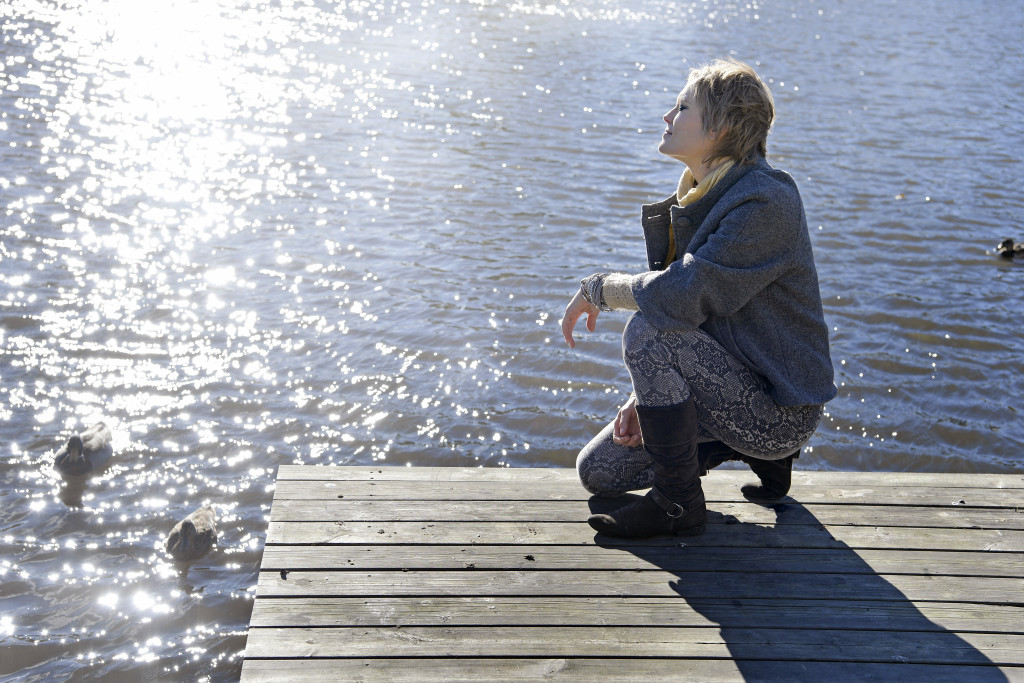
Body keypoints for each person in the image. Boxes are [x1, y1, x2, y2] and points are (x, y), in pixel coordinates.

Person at [560, 58, 836, 539]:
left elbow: (681, 298)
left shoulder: (765, 202)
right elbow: (692, 316)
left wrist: (598, 289)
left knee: (646, 331)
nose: (667, 115)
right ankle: (747, 457)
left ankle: (678, 503)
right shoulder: (700, 196)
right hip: (725, 387)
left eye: (683, 106)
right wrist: (642, 398)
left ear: (723, 127)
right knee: (599, 473)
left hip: (777, 412)